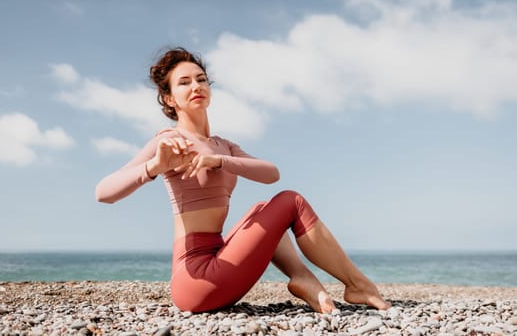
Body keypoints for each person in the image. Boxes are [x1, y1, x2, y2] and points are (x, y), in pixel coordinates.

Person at [95, 47, 390, 313]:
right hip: (195, 278)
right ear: (170, 98)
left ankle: (302, 278)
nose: (196, 86)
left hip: (218, 257)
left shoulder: (224, 146)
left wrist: (218, 160)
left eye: (200, 79)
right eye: (184, 83)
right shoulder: (170, 140)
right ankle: (357, 284)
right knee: (291, 202)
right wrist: (154, 166)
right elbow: (103, 192)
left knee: (263, 209)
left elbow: (271, 173)